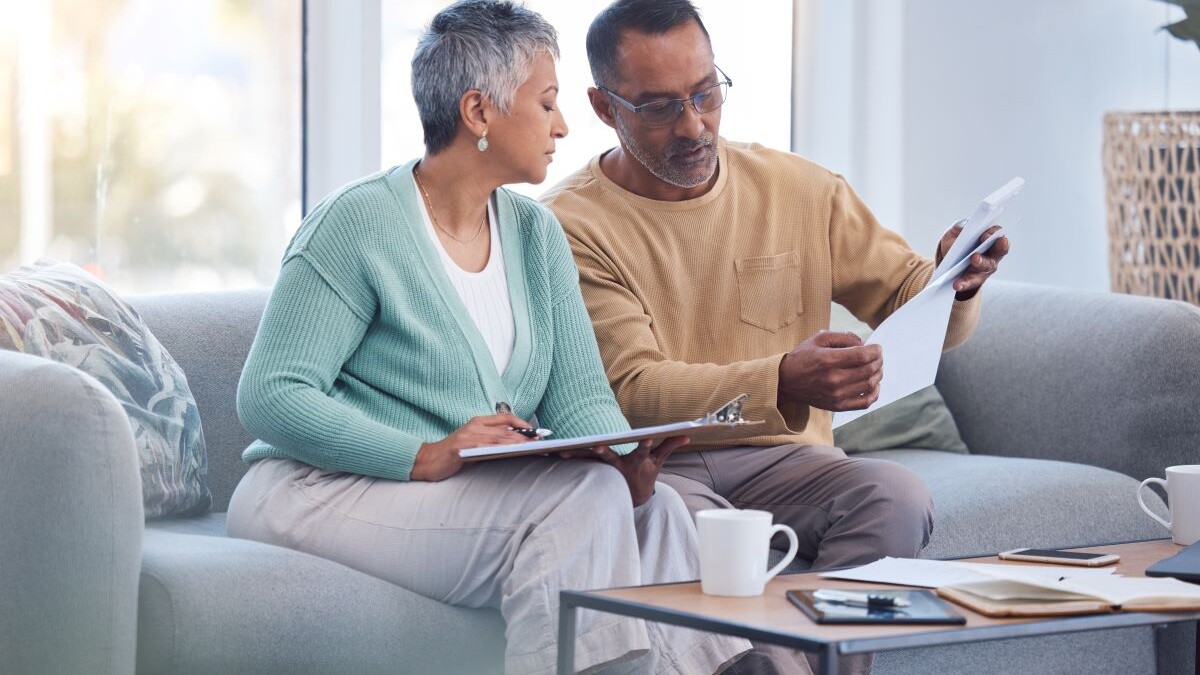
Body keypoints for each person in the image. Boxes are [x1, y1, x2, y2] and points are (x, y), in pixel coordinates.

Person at [225, 2, 751, 674]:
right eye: (548, 102)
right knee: (584, 501)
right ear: (479, 112)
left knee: (662, 510)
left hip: (442, 493)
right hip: (320, 488)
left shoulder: (536, 235)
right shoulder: (355, 225)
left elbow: (582, 397)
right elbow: (270, 395)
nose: (563, 126)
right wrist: (426, 453)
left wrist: (625, 458)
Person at [542, 1, 1009, 672]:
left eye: (706, 92)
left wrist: (955, 281)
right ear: (603, 105)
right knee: (664, 521)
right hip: (661, 463)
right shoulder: (566, 225)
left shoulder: (801, 189)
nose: (694, 124)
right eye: (659, 107)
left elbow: (906, 296)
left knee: (897, 494)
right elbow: (635, 390)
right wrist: (783, 378)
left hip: (787, 460)